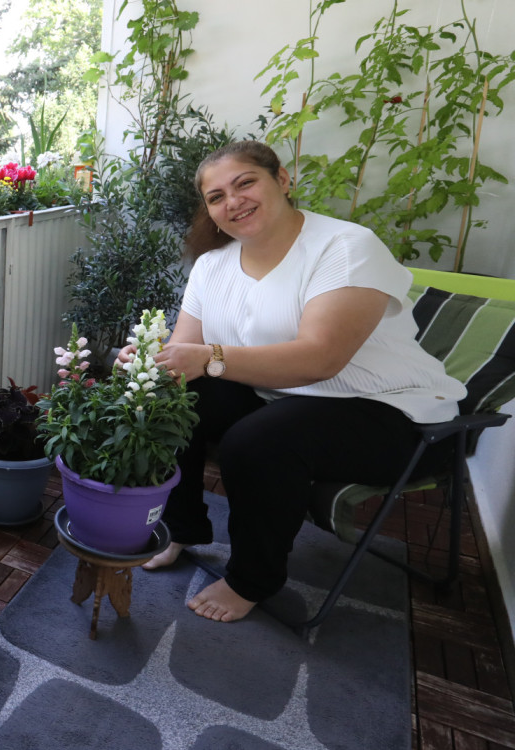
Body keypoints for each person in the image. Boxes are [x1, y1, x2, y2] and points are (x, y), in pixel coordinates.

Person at [129, 140, 464, 623]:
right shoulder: (212, 265)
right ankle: (182, 528)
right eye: (217, 196)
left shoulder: (345, 247)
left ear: (282, 180)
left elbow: (320, 359)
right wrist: (150, 359)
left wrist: (207, 357)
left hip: (395, 414)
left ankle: (252, 579)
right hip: (284, 400)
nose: (233, 201)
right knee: (177, 397)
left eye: (246, 183)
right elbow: (187, 355)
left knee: (256, 440)